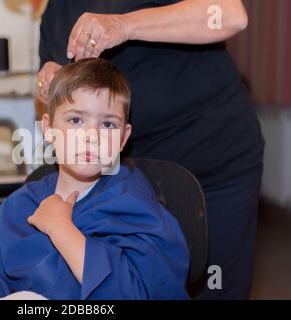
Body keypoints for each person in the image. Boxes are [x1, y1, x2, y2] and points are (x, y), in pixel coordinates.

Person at [35, 0, 264, 300]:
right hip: (131, 182)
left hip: (213, 160)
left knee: (215, 288)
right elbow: (61, 102)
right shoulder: (56, 14)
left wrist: (124, 25)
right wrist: (49, 77)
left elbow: (230, 15)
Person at [0, 58, 190, 300]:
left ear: (123, 138)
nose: (91, 136)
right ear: (48, 129)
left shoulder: (134, 205)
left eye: (108, 124)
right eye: (76, 120)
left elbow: (137, 293)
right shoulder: (20, 206)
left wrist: (61, 228)